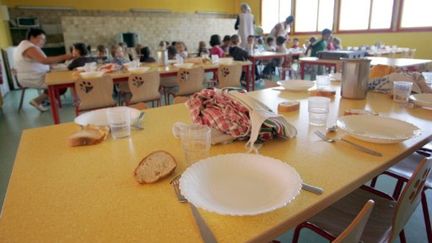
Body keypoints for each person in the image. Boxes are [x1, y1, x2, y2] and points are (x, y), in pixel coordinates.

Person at [14, 28, 72, 112]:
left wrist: (52, 65)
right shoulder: (28, 47)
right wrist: (65, 56)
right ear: (32, 37)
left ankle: (47, 98)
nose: (43, 41)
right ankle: (41, 100)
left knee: (59, 76)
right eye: (41, 38)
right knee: (62, 83)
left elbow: (40, 62)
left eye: (44, 39)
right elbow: (44, 60)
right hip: (33, 77)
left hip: (33, 75)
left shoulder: (26, 46)